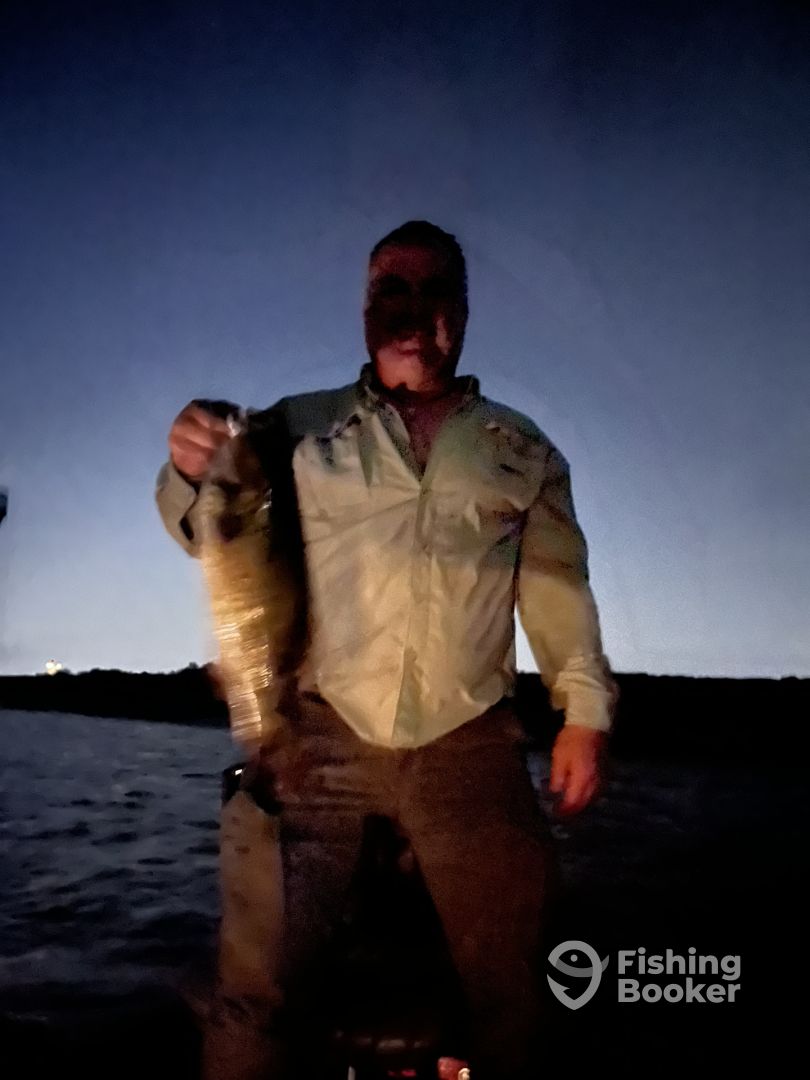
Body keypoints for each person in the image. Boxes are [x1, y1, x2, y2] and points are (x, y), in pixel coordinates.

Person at [155, 219, 619, 1079]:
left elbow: (557, 587)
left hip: (471, 740)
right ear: (366, 309)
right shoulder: (295, 426)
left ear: (462, 311)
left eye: (434, 289)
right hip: (315, 733)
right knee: (259, 986)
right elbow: (212, 528)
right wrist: (189, 463)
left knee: (517, 985)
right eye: (390, 289)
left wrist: (583, 714)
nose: (412, 307)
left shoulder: (523, 450)